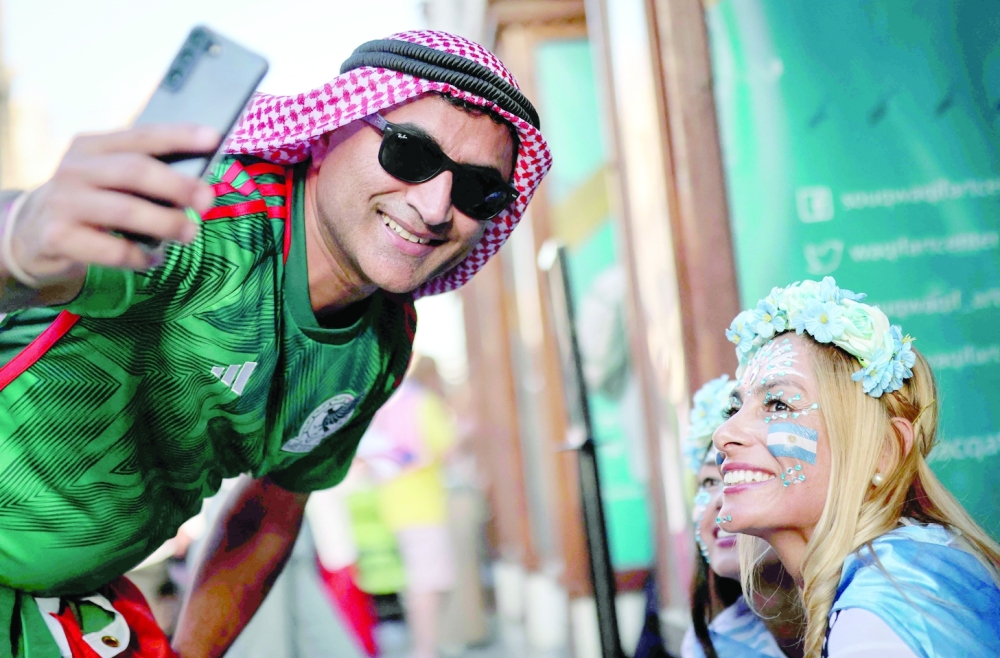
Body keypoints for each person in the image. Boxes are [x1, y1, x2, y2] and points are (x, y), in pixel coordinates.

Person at [0, 30, 551, 658]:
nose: (434, 206)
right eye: (408, 153)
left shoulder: (383, 344)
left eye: (479, 189)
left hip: (67, 613)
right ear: (325, 136)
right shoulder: (206, 220)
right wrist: (22, 234)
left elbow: (271, 513)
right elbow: (40, 265)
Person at [714, 277, 1000, 657]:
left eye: (778, 404)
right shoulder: (902, 572)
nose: (724, 434)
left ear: (883, 450)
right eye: (735, 408)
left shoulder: (883, 610)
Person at [681, 376, 801, 658]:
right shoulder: (711, 645)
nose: (723, 500)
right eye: (710, 482)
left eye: (746, 475)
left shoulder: (879, 600)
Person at [355, 355, 457, 658]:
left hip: (394, 503)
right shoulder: (422, 403)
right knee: (428, 582)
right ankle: (425, 649)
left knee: (421, 580)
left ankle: (425, 646)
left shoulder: (387, 405)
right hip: (423, 506)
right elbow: (446, 447)